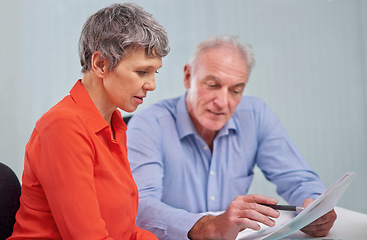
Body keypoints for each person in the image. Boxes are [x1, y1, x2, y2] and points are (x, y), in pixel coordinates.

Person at [126, 36, 336, 240]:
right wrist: (208, 227)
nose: (223, 102)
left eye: (236, 90)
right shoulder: (149, 124)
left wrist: (315, 207)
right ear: (188, 77)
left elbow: (298, 179)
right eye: (213, 85)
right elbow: (140, 206)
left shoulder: (255, 115)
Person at [9, 3, 169, 239]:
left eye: (156, 73)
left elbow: (124, 231)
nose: (152, 85)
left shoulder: (115, 124)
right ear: (101, 64)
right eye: (142, 72)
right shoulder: (63, 126)